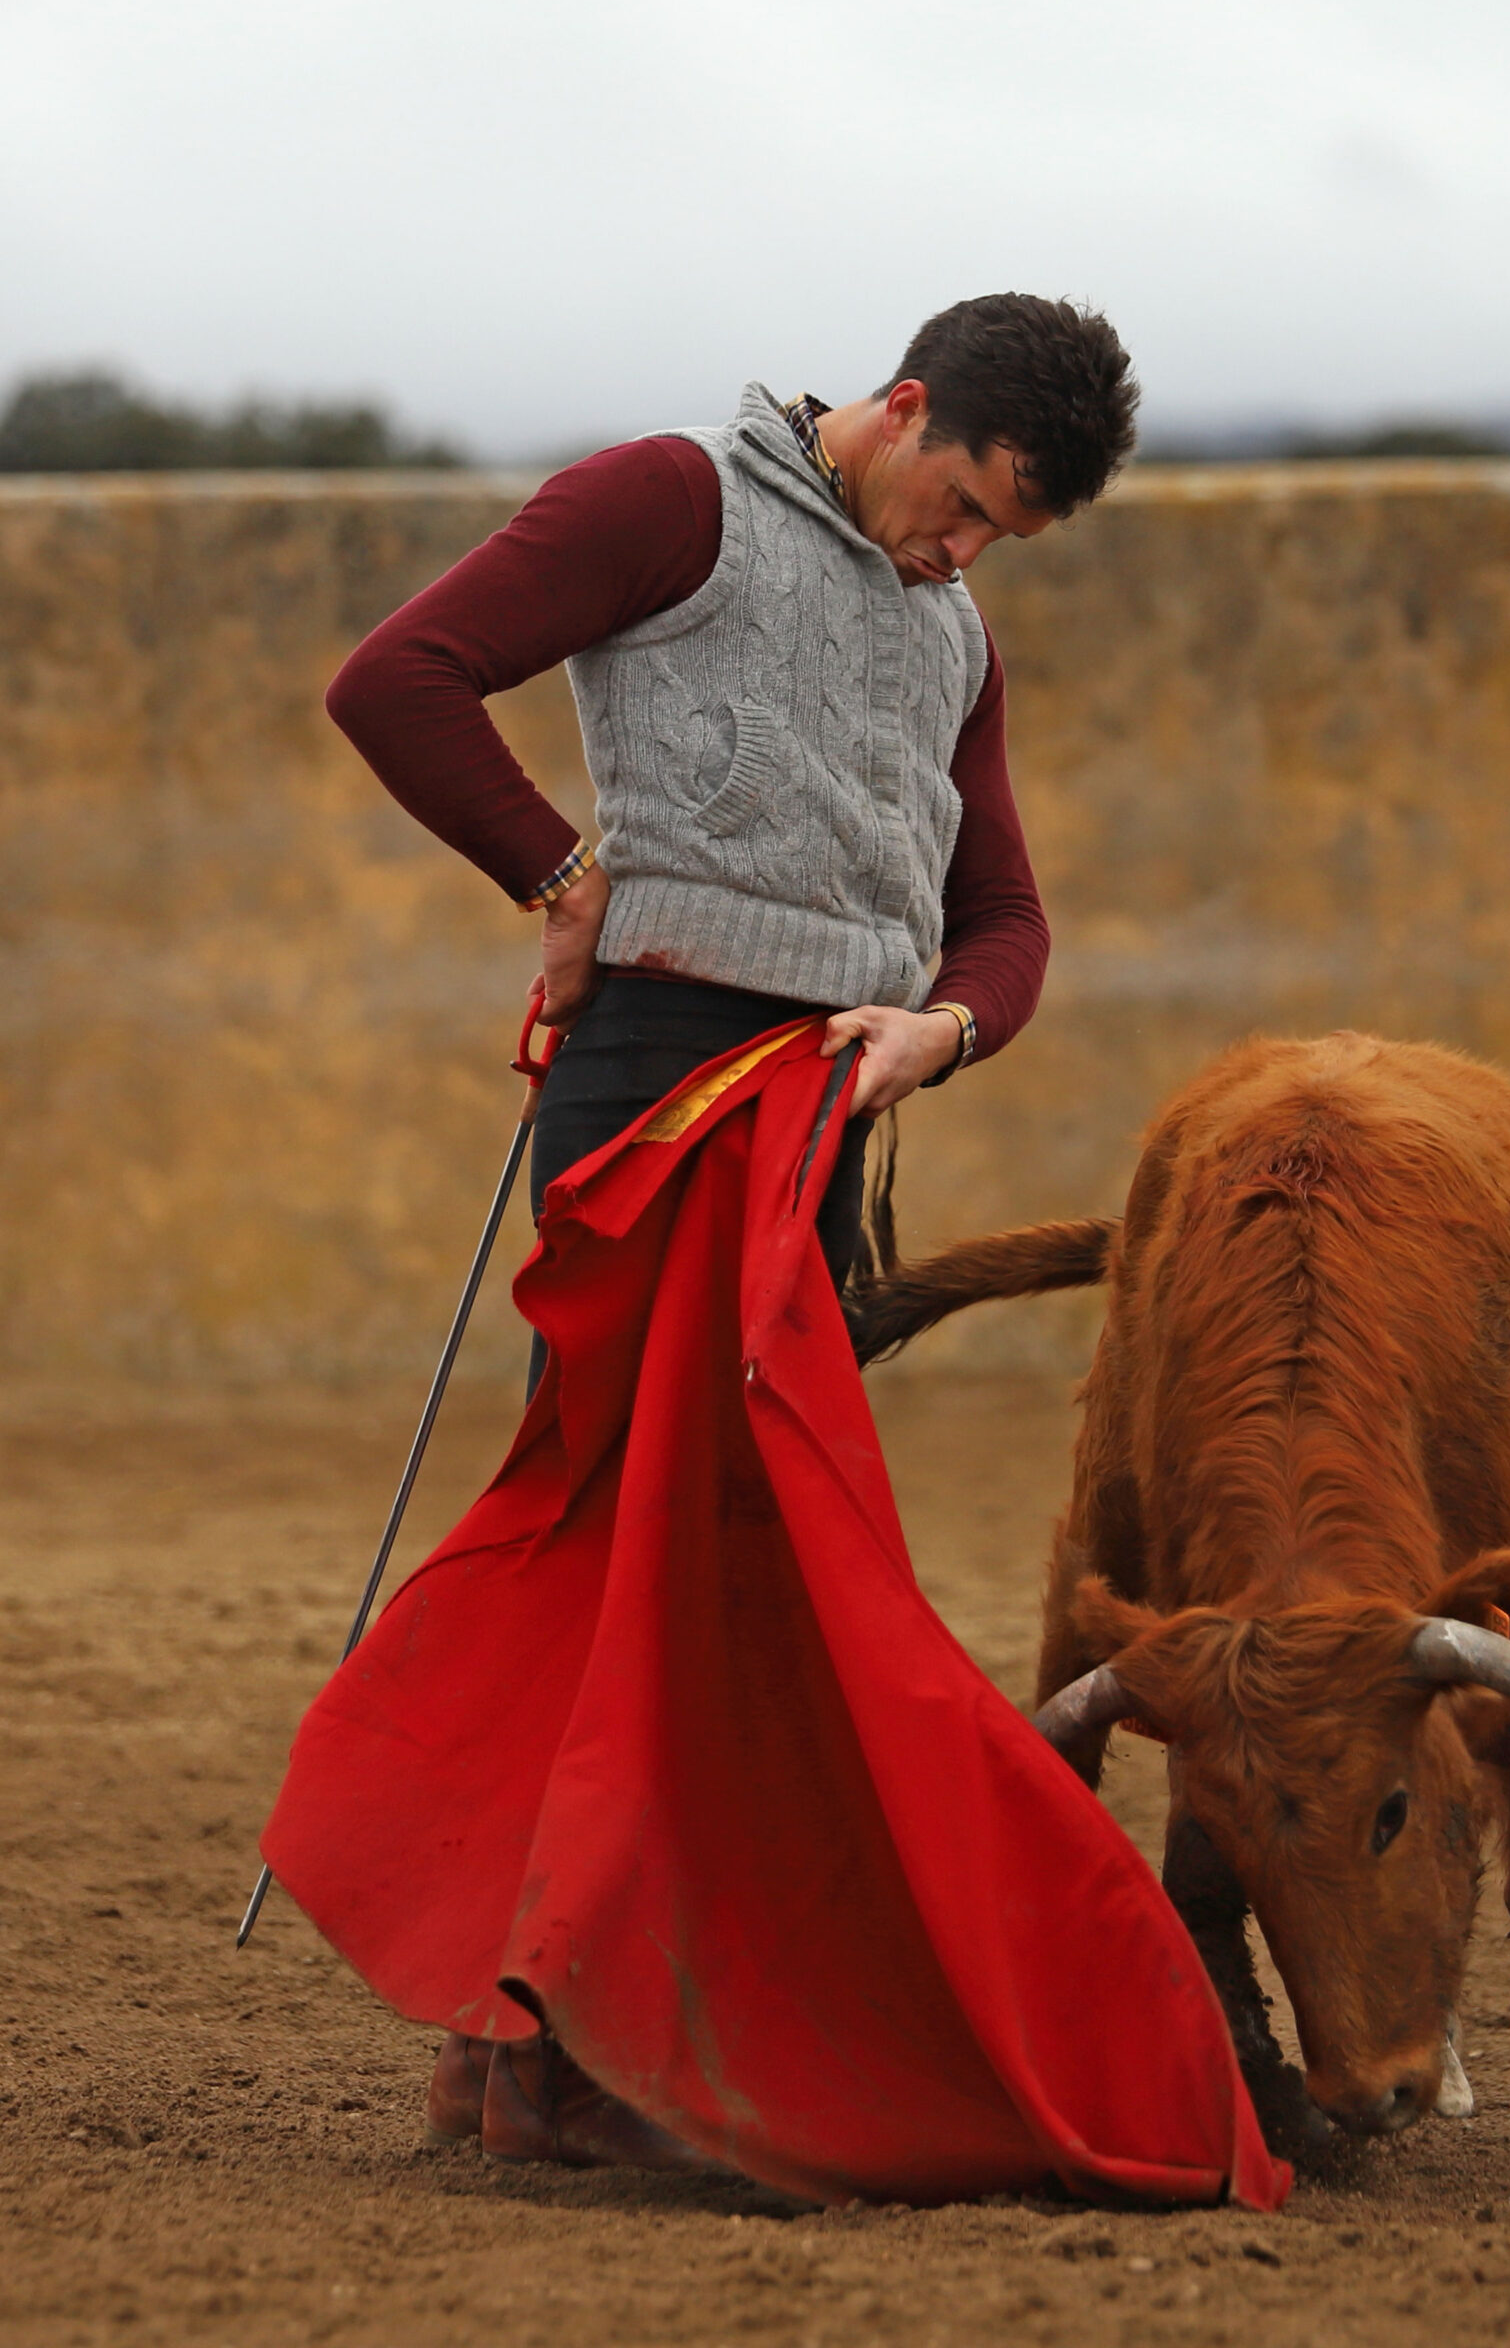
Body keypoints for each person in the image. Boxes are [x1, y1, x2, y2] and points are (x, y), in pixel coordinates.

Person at [320, 292, 1140, 2164]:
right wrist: (556, 869)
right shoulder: (671, 500)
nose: (964, 554)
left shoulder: (955, 632)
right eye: (965, 506)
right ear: (903, 406)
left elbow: (1001, 914)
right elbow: (399, 677)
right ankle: (537, 2032)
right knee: (626, 1534)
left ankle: (562, 2036)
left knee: (751, 1556)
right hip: (662, 1087)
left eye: (1004, 539)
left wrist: (946, 1027)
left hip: (829, 1116)